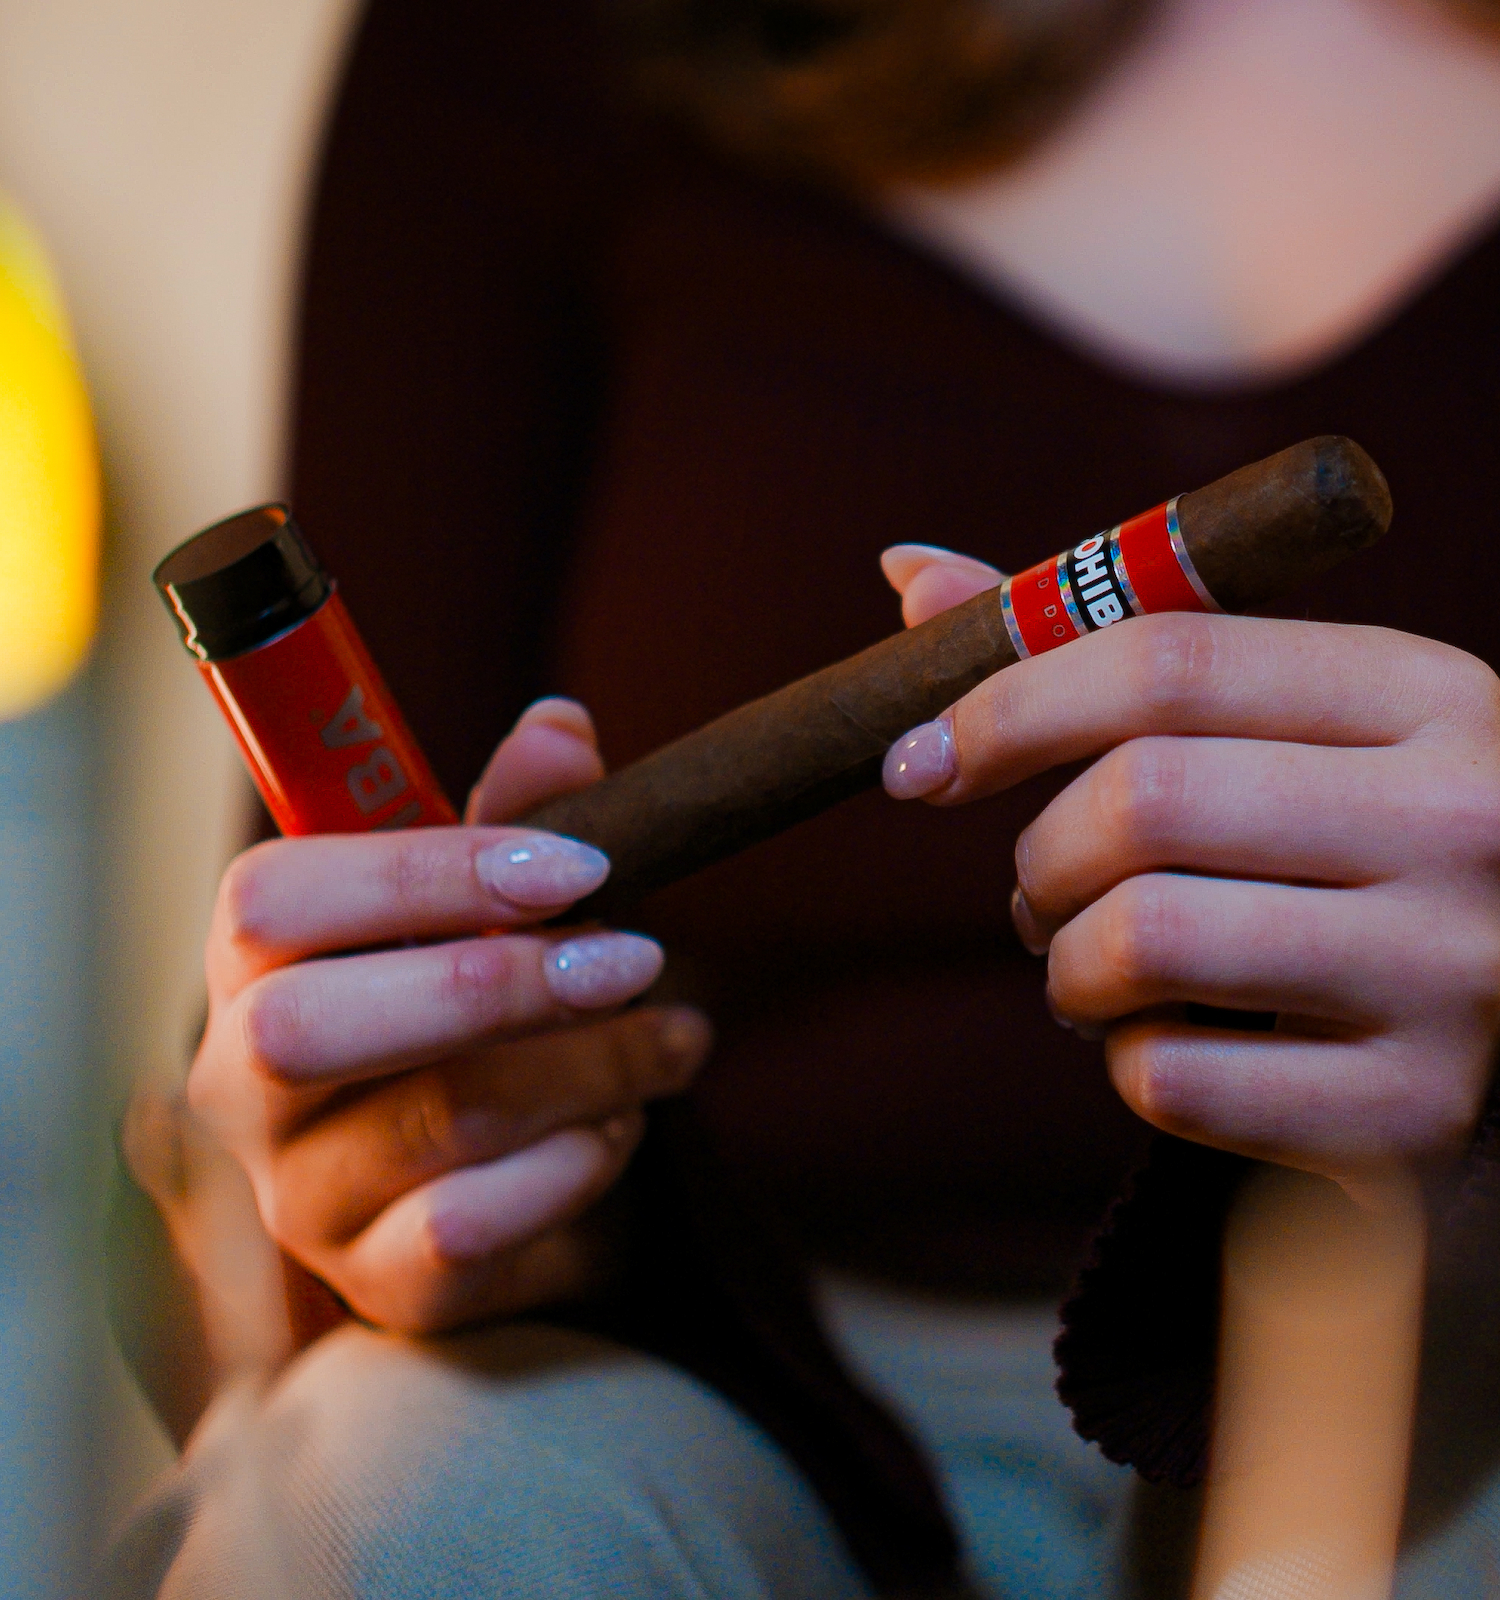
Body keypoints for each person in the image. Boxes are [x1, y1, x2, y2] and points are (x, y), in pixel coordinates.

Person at [105, 0, 1500, 1595]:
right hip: (723, 1380)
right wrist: (400, 1174)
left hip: (1440, 1348)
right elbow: (304, 1053)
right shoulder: (532, 47)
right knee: (397, 1503)